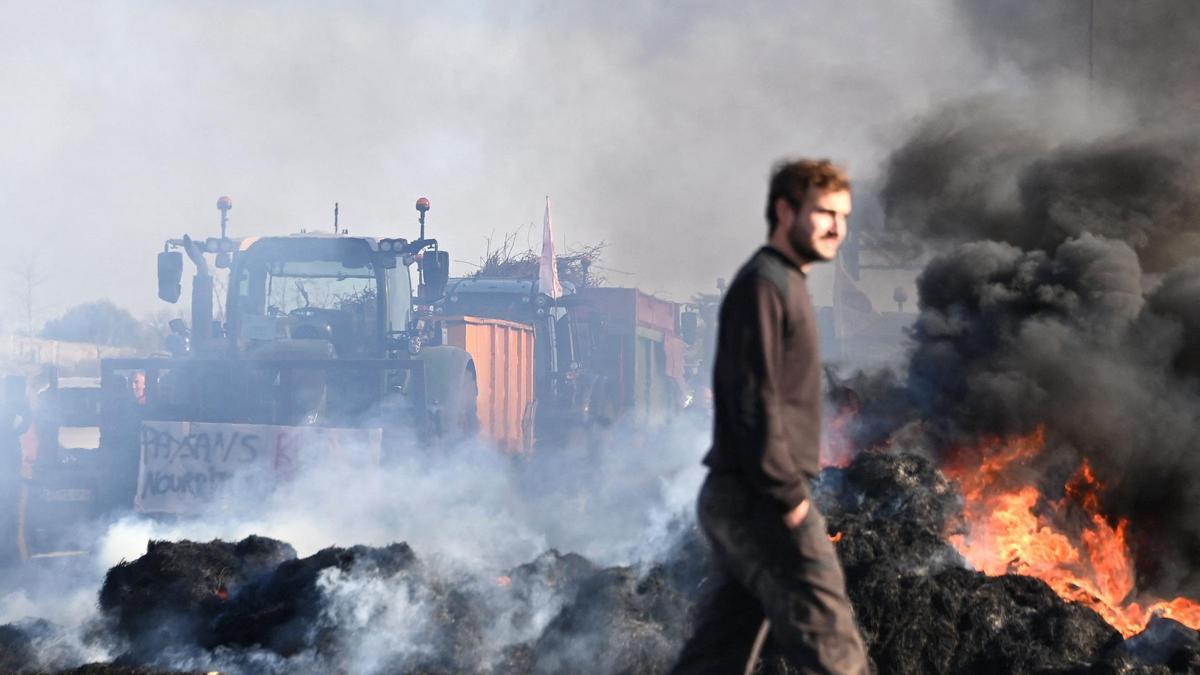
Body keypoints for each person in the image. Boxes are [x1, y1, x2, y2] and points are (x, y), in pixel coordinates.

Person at [670, 159, 868, 674]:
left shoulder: (785, 283)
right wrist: (789, 499)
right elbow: (750, 401)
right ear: (784, 211)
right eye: (824, 212)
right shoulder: (766, 286)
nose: (836, 227)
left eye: (843, 216)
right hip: (760, 497)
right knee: (835, 647)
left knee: (720, 651)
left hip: (743, 495)